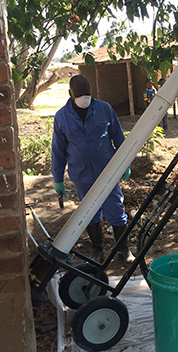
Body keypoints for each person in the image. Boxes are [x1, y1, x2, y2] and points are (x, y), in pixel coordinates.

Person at [51, 74, 134, 264]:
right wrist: (58, 179)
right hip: (82, 175)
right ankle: (98, 251)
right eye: (80, 96)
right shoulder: (62, 117)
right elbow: (58, 150)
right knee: (89, 212)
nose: (84, 100)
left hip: (108, 171)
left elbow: (119, 138)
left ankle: (124, 250)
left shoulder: (104, 109)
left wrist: (125, 164)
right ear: (71, 94)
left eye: (87, 95)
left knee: (115, 209)